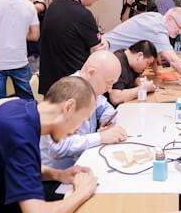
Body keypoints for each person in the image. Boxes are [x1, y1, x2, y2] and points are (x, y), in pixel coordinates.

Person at [0, 76, 98, 213]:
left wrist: (58, 174)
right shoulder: (19, 135)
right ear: (68, 107)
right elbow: (35, 211)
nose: (78, 130)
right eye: (82, 120)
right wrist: (82, 192)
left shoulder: (20, 107)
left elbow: (21, 167)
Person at [40, 51, 127, 199]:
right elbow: (58, 147)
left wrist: (107, 120)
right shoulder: (69, 93)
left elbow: (105, 108)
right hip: (54, 180)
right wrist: (100, 137)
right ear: (91, 72)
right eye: (109, 82)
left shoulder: (89, 88)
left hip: (73, 168)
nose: (110, 89)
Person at [103, 7, 181, 93]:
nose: (180, 32)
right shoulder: (158, 28)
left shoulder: (156, 17)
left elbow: (153, 51)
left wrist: (156, 73)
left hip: (109, 54)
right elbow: (174, 60)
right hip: (105, 56)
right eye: (179, 27)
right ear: (170, 19)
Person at [40, 0, 109, 94]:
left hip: (52, 86)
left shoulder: (53, 6)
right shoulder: (82, 14)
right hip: (74, 88)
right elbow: (97, 53)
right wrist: (105, 44)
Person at [108, 40, 158, 106]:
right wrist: (143, 88)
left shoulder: (130, 61)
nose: (147, 67)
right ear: (139, 55)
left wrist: (138, 81)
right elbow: (115, 98)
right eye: (147, 63)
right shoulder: (117, 63)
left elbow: (128, 79)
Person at [17, 0, 46, 74]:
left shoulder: (38, 3)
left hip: (34, 51)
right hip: (21, 51)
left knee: (33, 78)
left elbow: (38, 8)